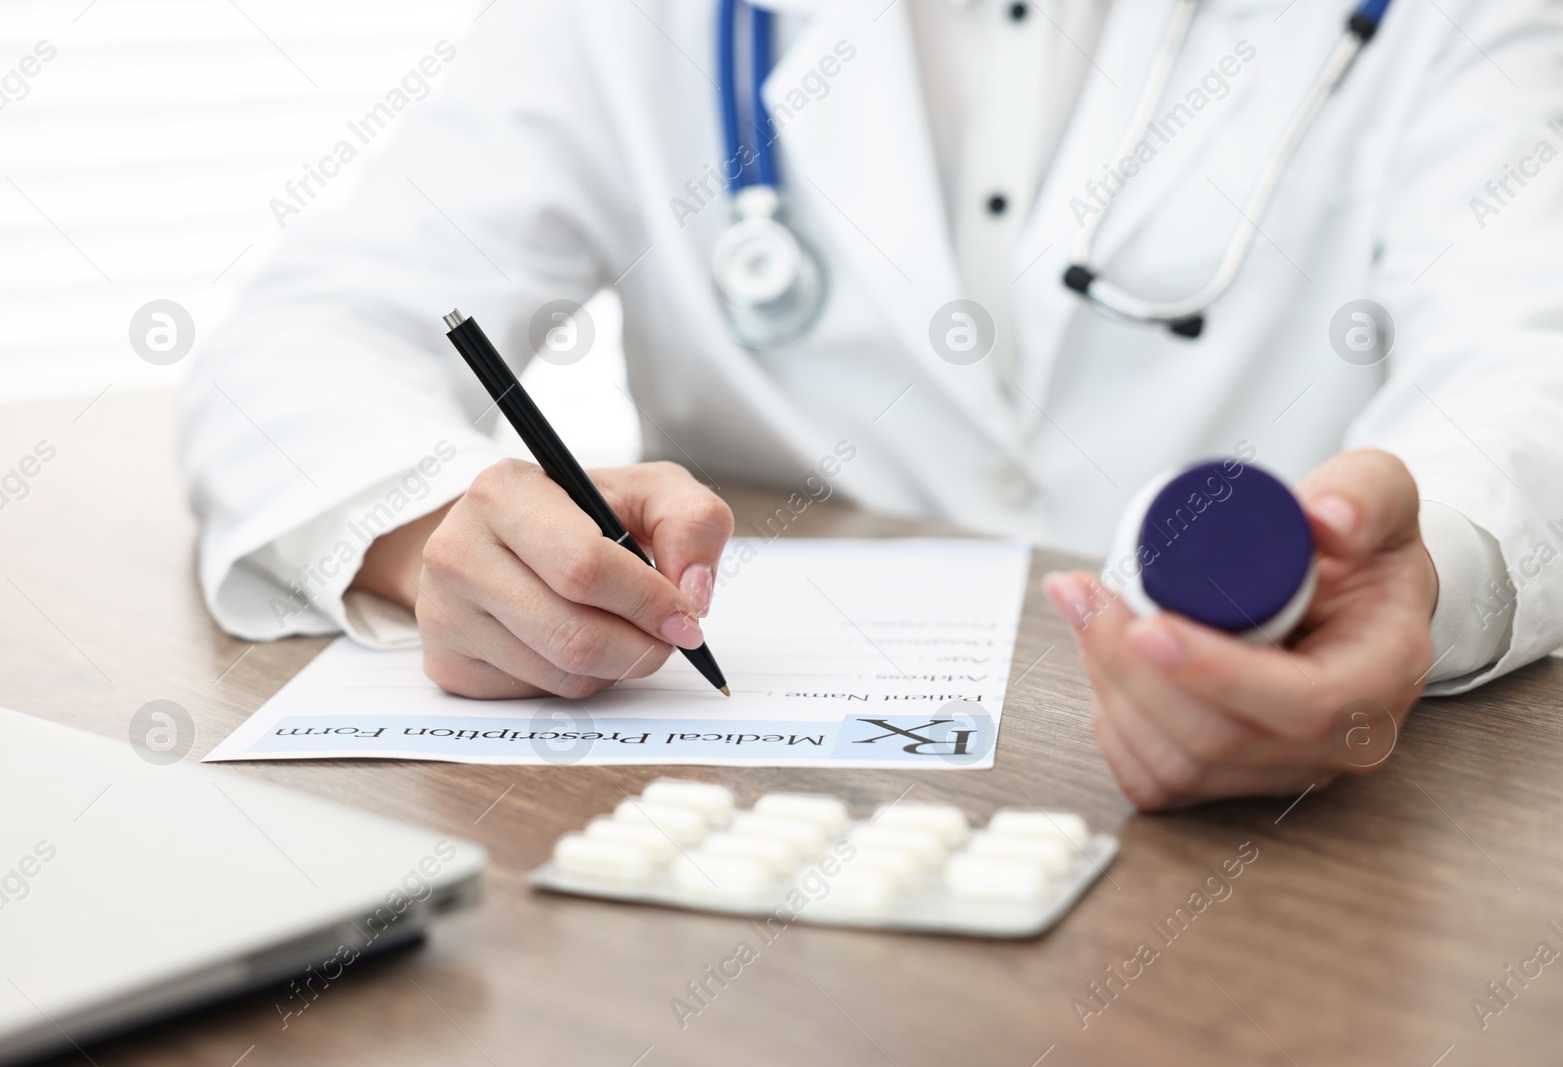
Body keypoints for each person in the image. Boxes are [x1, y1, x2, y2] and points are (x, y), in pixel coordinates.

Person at [181, 0, 1563, 809]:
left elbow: (1532, 352)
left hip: (1295, 845)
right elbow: (319, 322)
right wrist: (433, 530)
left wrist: (1431, 560)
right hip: (752, 804)